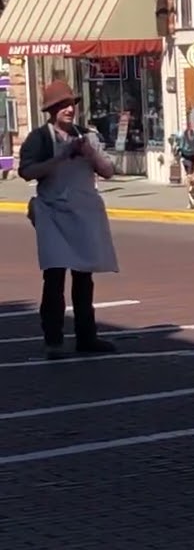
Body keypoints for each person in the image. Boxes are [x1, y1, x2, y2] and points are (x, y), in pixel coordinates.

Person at [18, 81, 119, 359]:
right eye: (62, 106)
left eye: (71, 104)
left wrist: (90, 154)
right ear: (51, 111)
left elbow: (109, 171)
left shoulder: (88, 136)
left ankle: (87, 336)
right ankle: (53, 339)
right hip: (53, 212)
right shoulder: (40, 138)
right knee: (54, 275)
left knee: (84, 276)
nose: (69, 109)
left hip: (83, 211)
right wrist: (59, 158)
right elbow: (27, 171)